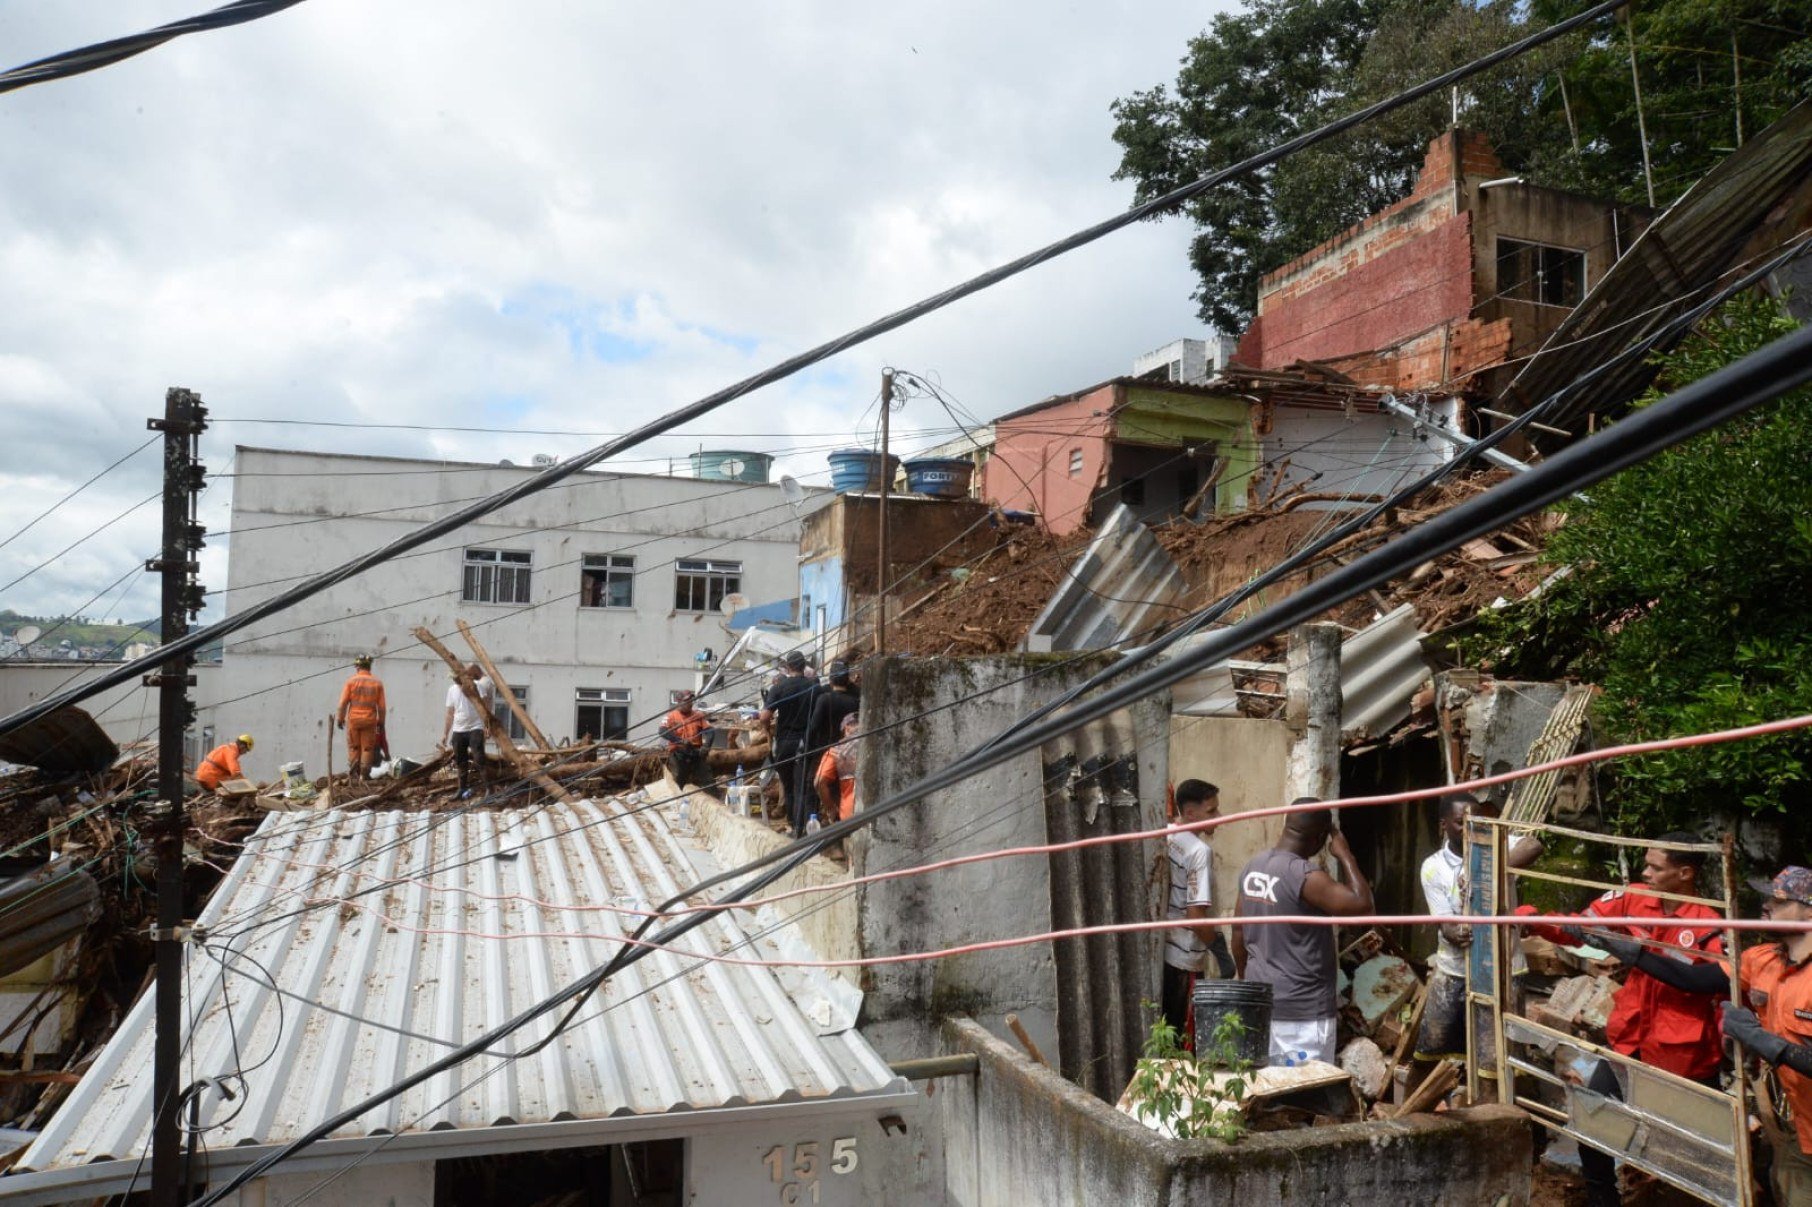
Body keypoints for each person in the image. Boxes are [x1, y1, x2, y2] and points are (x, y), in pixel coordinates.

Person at [1517, 835, 1724, 1207]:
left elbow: (1715, 983)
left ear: (1685, 872)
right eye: (1646, 864)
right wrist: (1538, 922)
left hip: (1684, 1055)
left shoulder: (1711, 924)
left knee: (1692, 1151)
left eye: (1655, 867)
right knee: (1592, 1114)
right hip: (1631, 1040)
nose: (1645, 872)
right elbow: (1582, 926)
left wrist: (1638, 954)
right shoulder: (1633, 898)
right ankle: (1602, 1198)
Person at [1232, 802, 1374, 1066]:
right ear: (1321, 837)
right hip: (1303, 1017)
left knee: (1268, 1092)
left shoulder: (1253, 867)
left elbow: (1238, 934)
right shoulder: (1306, 876)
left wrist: (1249, 985)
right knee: (1305, 1101)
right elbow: (1363, 906)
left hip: (1263, 1007)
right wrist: (1345, 854)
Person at [1414, 793, 1543, 1071]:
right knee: (1432, 1050)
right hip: (1454, 971)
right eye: (1462, 823)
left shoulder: (1494, 843)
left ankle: (1497, 1110)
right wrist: (1454, 932)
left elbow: (1533, 844)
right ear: (1443, 825)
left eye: (1476, 821)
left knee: (1497, 1059)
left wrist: (1487, 869)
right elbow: (1444, 923)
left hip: (1503, 970)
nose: (1470, 828)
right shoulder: (1433, 867)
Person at [1161, 779, 1234, 1047]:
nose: (1219, 817)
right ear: (1191, 813)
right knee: (1185, 1042)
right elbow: (1196, 916)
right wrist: (1221, 952)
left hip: (1166, 951)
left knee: (1165, 1032)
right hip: (1186, 958)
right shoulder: (1199, 852)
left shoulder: (1169, 834)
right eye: (1212, 811)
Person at [759, 651, 817, 836]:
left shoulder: (779, 687)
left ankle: (792, 825)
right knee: (803, 787)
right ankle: (802, 828)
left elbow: (765, 716)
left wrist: (767, 727)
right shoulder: (813, 686)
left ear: (788, 667)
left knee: (789, 785)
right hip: (806, 743)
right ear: (803, 665)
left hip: (784, 742)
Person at [804, 659, 860, 793]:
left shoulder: (824, 698)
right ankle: (835, 813)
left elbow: (813, 728)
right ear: (848, 680)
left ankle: (816, 813)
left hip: (824, 752)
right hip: (846, 754)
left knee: (813, 786)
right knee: (841, 792)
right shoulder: (855, 702)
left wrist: (806, 749)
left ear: (830, 680)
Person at [440, 663, 494, 799]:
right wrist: (445, 733)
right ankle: (461, 788)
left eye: (456, 678)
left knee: (479, 757)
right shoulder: (451, 690)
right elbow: (449, 713)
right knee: (460, 760)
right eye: (453, 678)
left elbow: (485, 706)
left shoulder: (477, 686)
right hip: (459, 729)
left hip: (475, 726)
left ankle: (489, 788)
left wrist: (487, 725)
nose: (455, 680)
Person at [336, 654, 387, 783]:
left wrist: (340, 719)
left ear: (357, 667)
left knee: (354, 747)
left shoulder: (351, 681)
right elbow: (382, 707)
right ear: (369, 667)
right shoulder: (377, 683)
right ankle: (364, 776)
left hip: (354, 720)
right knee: (367, 748)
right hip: (370, 721)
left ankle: (354, 775)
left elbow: (342, 703)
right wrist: (381, 722)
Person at [812, 710, 861, 827]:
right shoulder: (878, 745)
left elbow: (819, 782)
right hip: (879, 811)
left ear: (847, 728)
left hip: (851, 815)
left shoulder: (835, 751)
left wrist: (831, 810)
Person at [660, 690, 714, 790]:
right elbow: (662, 731)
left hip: (696, 753)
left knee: (708, 781)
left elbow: (710, 730)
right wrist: (680, 741)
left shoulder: (698, 715)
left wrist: (706, 746)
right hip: (678, 755)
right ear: (679, 702)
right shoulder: (671, 716)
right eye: (687, 701)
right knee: (678, 782)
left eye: (691, 701)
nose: (690, 704)